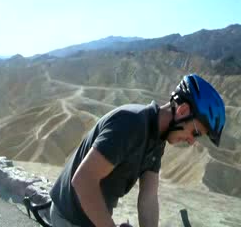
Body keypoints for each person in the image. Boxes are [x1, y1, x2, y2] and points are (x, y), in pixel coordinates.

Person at [49, 74, 225, 227]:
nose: (192, 141)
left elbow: (148, 197)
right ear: (182, 110)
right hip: (70, 217)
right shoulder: (131, 124)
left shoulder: (157, 139)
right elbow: (83, 180)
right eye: (195, 132)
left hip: (92, 218)